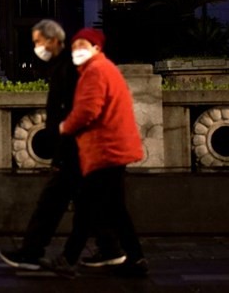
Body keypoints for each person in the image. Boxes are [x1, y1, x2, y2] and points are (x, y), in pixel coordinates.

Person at [0, 20, 126, 272]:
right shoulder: (63, 66)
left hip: (77, 149)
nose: (37, 47)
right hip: (80, 148)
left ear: (54, 40)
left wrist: (64, 144)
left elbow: (78, 109)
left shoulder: (70, 67)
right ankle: (110, 249)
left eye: (39, 41)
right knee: (86, 202)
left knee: (53, 202)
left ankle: (33, 252)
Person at [39, 27, 148, 279]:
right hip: (113, 148)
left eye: (83, 46)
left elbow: (88, 110)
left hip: (105, 150)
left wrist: (64, 127)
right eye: (75, 46)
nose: (77, 50)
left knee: (87, 207)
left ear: (97, 49)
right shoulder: (105, 68)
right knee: (114, 209)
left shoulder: (95, 71)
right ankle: (136, 257)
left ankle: (68, 259)